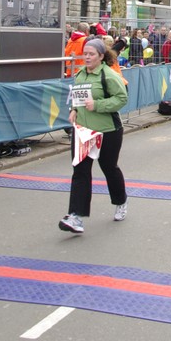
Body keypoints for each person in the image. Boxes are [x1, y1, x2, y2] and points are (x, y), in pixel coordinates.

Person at [59, 37, 129, 234]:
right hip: (83, 130)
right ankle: (76, 216)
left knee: (109, 168)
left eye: (91, 54)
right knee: (80, 171)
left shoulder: (109, 75)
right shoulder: (80, 74)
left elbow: (122, 98)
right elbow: (78, 97)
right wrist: (74, 110)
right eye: (85, 54)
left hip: (107, 130)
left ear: (101, 56)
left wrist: (98, 105)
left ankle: (121, 200)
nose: (87, 57)